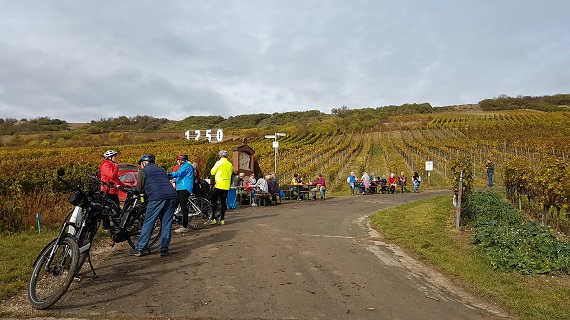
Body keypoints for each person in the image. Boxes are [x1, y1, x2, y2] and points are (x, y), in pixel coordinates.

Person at [130, 154, 177, 257]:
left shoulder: (143, 170)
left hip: (157, 197)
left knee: (149, 222)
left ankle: (140, 248)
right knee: (167, 223)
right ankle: (164, 249)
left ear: (144, 163)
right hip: (171, 196)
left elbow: (139, 187)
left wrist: (137, 193)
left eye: (141, 164)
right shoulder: (161, 169)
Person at [99, 150, 127, 229]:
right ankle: (106, 227)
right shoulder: (105, 165)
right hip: (107, 190)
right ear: (109, 158)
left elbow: (116, 179)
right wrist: (116, 167)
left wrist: (125, 185)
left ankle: (115, 225)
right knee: (107, 209)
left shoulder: (112, 165)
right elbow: (111, 175)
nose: (116, 158)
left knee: (116, 209)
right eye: (114, 156)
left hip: (113, 190)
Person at [169, 154, 195, 233]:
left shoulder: (187, 166)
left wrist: (168, 174)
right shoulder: (183, 166)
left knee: (183, 206)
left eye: (178, 160)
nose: (177, 162)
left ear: (181, 160)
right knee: (174, 203)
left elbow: (179, 174)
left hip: (185, 188)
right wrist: (174, 180)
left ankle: (185, 226)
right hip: (180, 187)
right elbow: (181, 177)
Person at [209, 150, 233, 225]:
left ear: (220, 156)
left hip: (219, 184)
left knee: (213, 201)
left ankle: (213, 218)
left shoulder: (219, 162)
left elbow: (212, 172)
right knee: (223, 202)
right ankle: (222, 219)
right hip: (226, 186)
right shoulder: (230, 164)